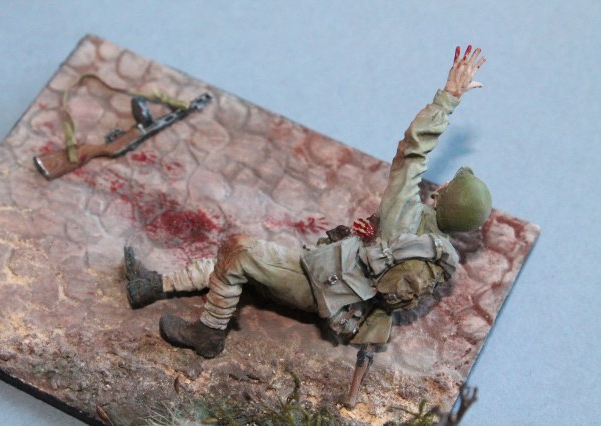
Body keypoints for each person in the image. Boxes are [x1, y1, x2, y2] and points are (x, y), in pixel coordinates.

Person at [124, 46, 491, 363]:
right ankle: (154, 286)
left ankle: (208, 334)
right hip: (342, 288)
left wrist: (448, 97)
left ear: (445, 198)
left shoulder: (406, 213)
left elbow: (412, 152)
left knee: (238, 253)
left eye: (449, 186)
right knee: (243, 262)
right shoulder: (436, 247)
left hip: (323, 286)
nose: (443, 184)